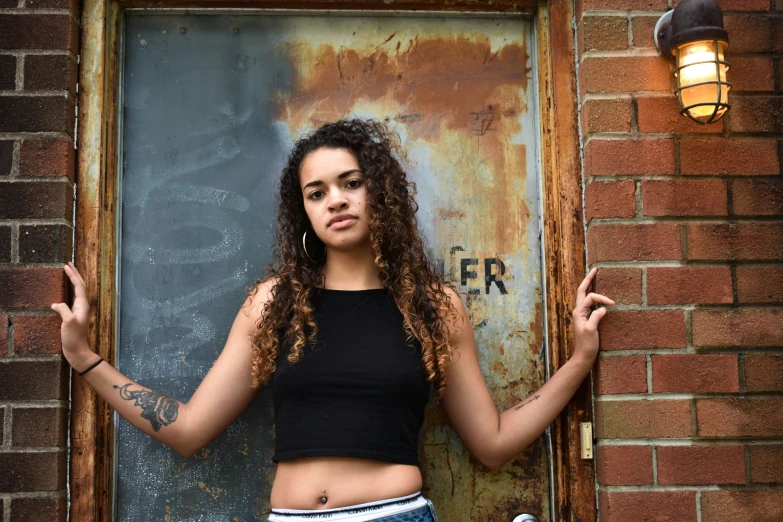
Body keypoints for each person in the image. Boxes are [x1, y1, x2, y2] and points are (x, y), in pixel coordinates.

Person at [52, 118, 614, 522]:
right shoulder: (273, 304)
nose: (335, 202)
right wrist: (84, 358)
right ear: (305, 213)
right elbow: (189, 430)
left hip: (393, 515)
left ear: (382, 193)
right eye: (316, 193)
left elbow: (491, 443)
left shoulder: (433, 307)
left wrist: (579, 360)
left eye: (350, 183)